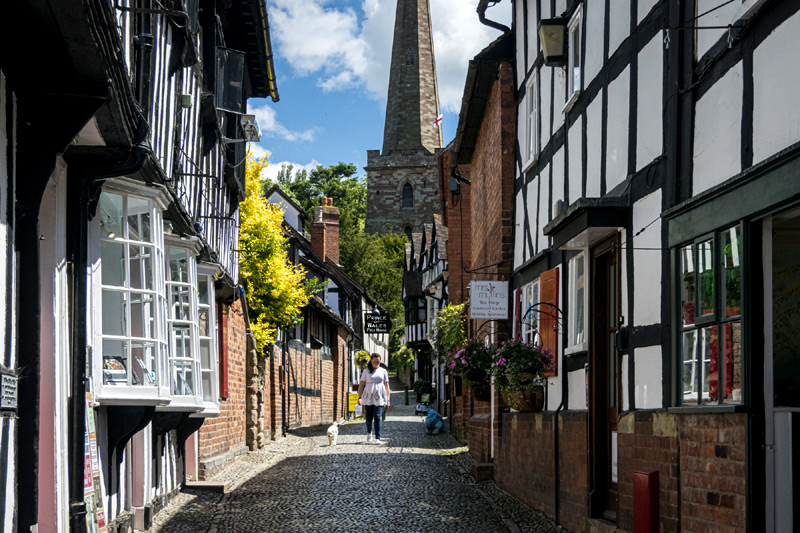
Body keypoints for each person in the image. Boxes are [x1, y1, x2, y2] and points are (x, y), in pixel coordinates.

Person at [357, 353, 390, 444]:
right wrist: (359, 397)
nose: (376, 363)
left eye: (378, 362)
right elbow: (361, 385)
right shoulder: (366, 371)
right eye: (375, 361)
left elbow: (387, 386)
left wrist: (388, 400)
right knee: (368, 417)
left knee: (377, 416)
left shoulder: (383, 371)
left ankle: (378, 437)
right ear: (371, 360)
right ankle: (369, 433)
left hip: (379, 397)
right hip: (368, 397)